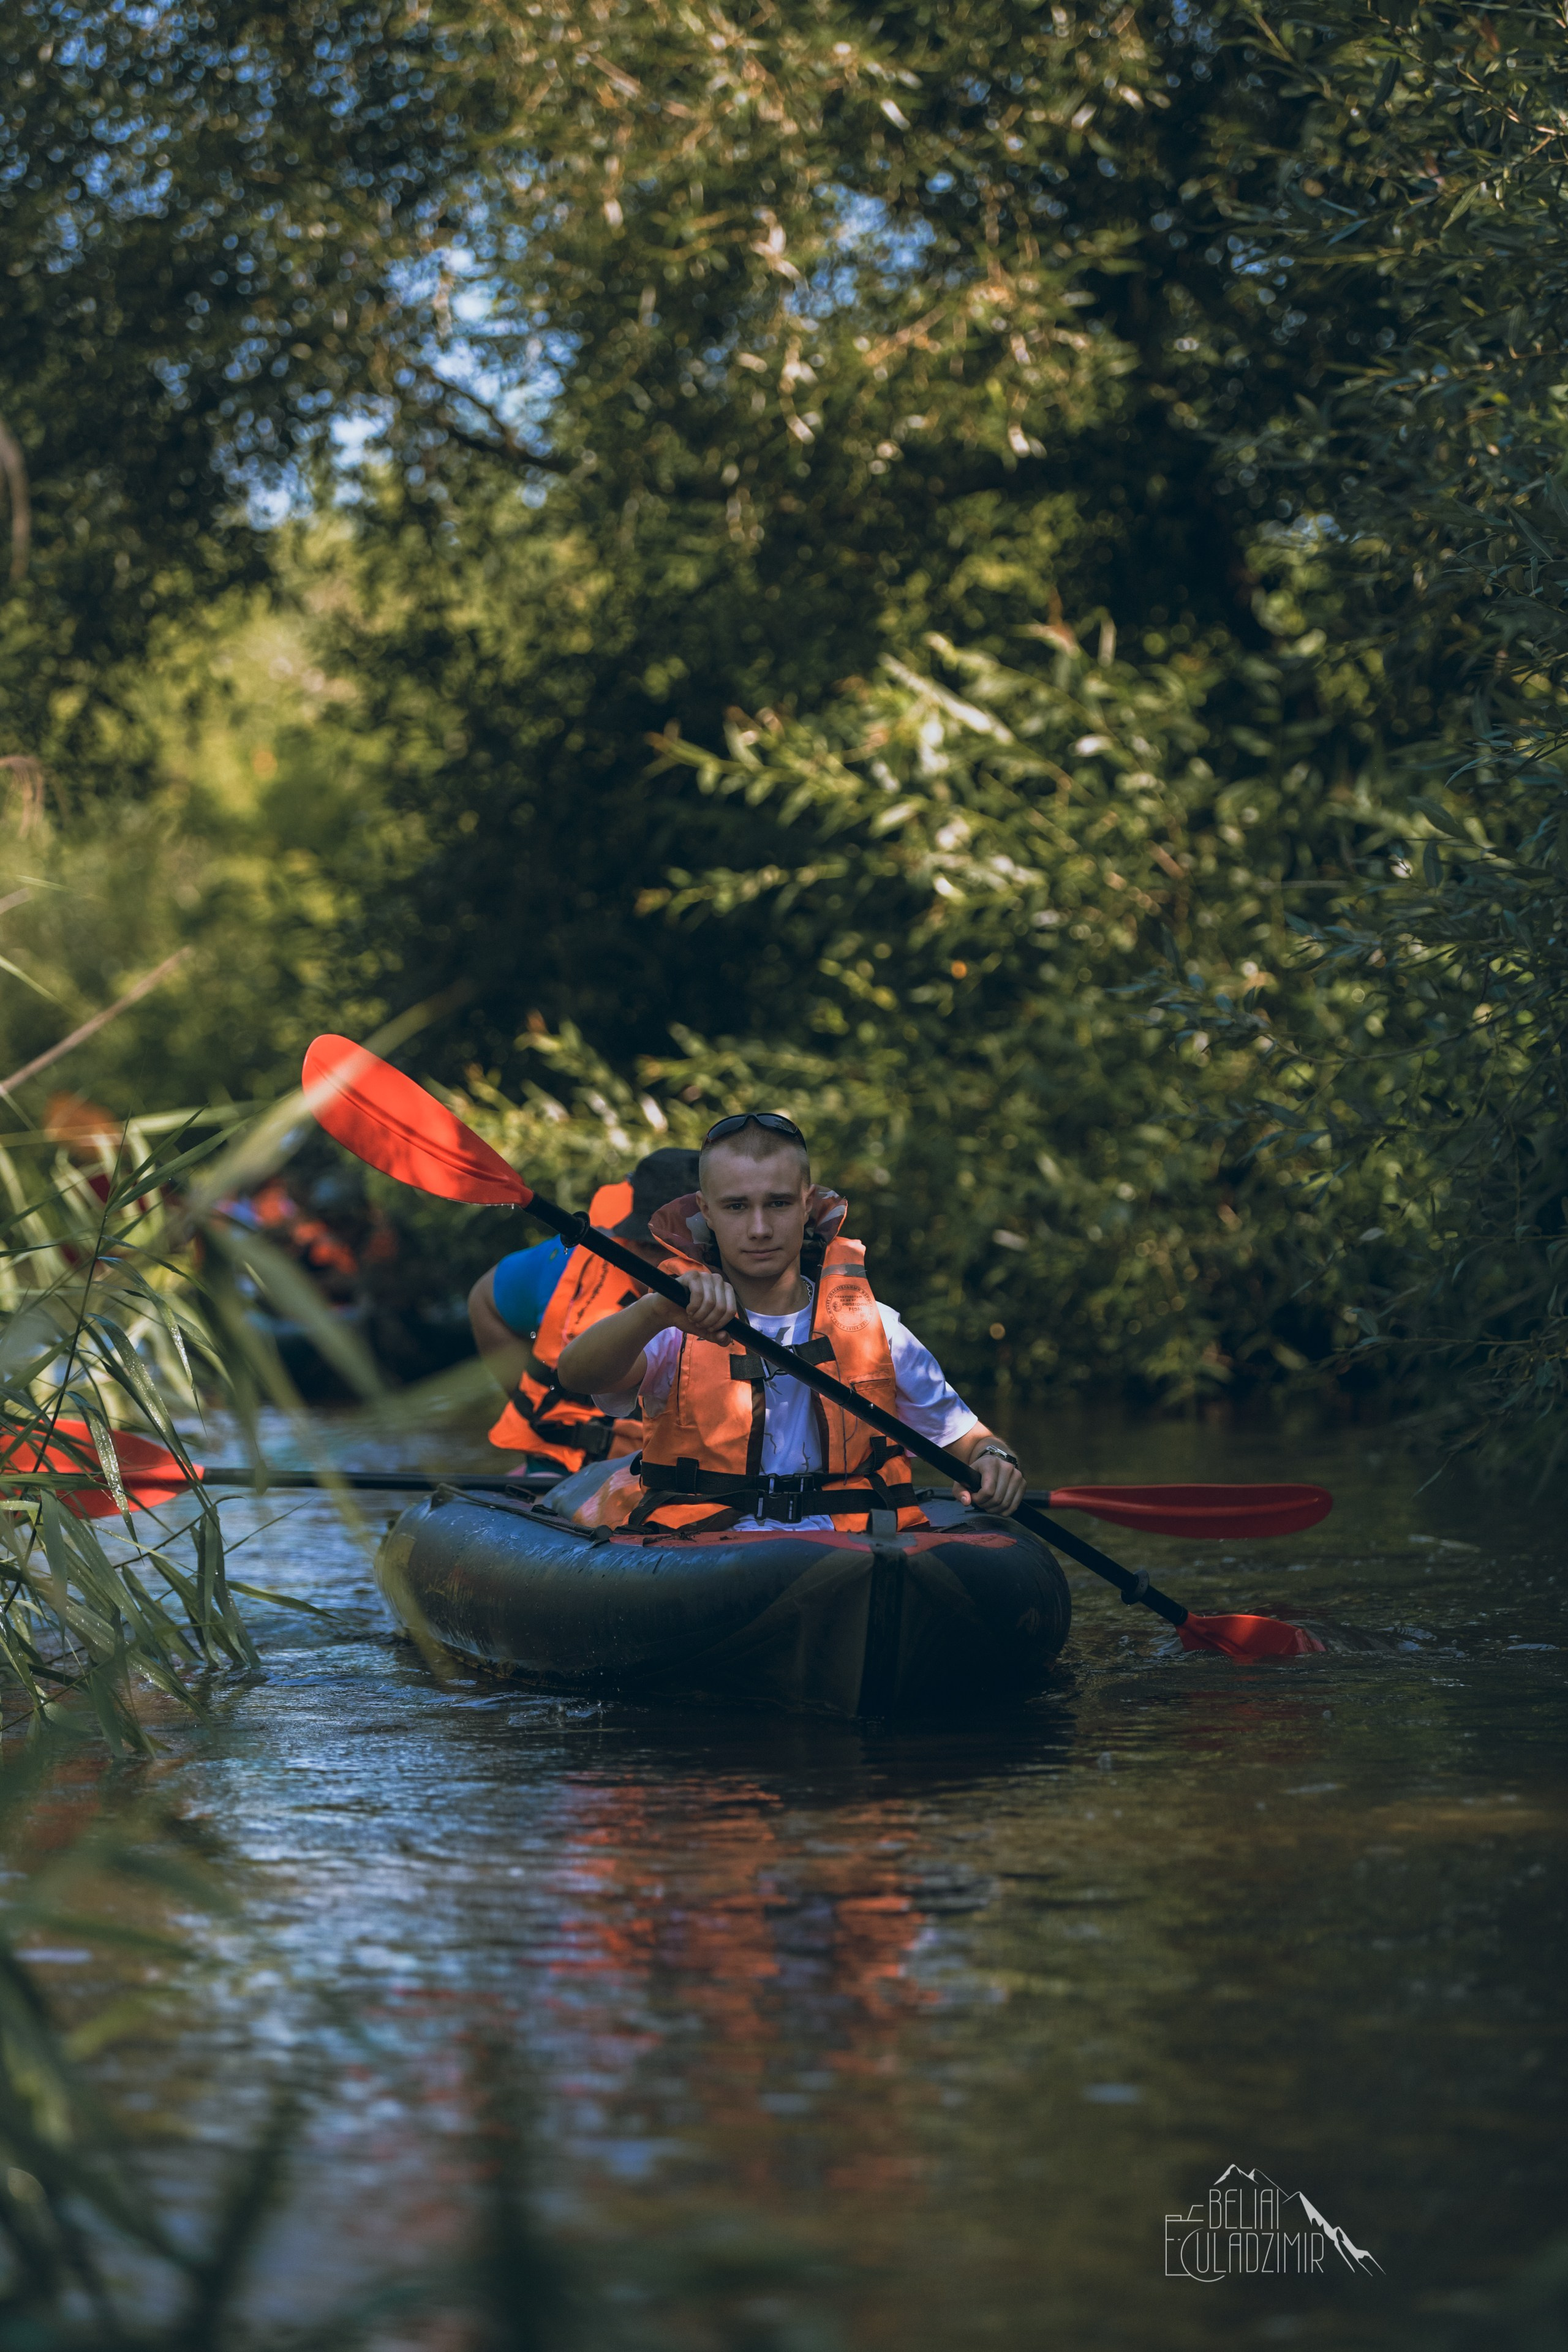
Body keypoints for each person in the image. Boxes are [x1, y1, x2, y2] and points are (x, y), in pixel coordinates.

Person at [556, 1112, 1026, 1534]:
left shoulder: (876, 1330)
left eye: (778, 1204)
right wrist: (654, 1311)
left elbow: (968, 1440)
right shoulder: (675, 1322)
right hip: (705, 1558)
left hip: (849, 1549)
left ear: (806, 1205)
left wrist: (996, 1460)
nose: (759, 1229)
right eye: (737, 1206)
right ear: (707, 1213)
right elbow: (576, 1375)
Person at [470, 1147, 700, 1471]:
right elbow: (483, 1297)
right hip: (572, 1445)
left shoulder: (743, 1262)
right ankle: (549, 1438)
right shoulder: (566, 1268)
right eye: (656, 1248)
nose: (689, 1266)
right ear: (637, 1243)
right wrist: (526, 1398)